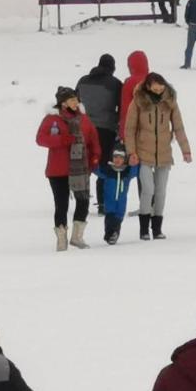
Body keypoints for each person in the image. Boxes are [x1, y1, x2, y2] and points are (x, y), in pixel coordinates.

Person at [125, 71, 191, 241]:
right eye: (155, 89)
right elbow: (130, 129)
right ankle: (144, 229)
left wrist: (186, 149)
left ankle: (157, 228)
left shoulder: (170, 102)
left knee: (160, 192)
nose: (159, 91)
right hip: (143, 153)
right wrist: (131, 152)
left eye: (161, 88)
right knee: (148, 189)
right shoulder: (137, 102)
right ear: (148, 87)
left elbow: (179, 127)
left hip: (163, 154)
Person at [37, 86, 101, 250]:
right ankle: (61, 239)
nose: (76, 102)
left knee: (83, 201)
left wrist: (94, 158)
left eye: (76, 99)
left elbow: (94, 140)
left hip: (80, 169)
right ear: (63, 103)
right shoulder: (52, 119)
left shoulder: (84, 120)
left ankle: (77, 237)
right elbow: (41, 139)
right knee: (61, 204)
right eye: (72, 99)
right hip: (58, 170)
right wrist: (63, 140)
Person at [76, 53, 123, 214]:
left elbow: (75, 102)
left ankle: (80, 199)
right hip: (106, 129)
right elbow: (121, 107)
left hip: (84, 128)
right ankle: (102, 202)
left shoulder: (82, 80)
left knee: (84, 164)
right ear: (112, 67)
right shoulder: (115, 84)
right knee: (103, 164)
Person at [97, 143, 138, 244]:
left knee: (118, 219)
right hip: (109, 201)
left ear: (124, 159)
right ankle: (109, 235)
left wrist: (134, 163)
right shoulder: (108, 170)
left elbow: (135, 171)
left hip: (121, 201)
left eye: (120, 157)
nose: (117, 160)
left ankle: (114, 234)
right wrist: (93, 163)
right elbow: (97, 170)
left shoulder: (127, 172)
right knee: (109, 219)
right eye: (115, 157)